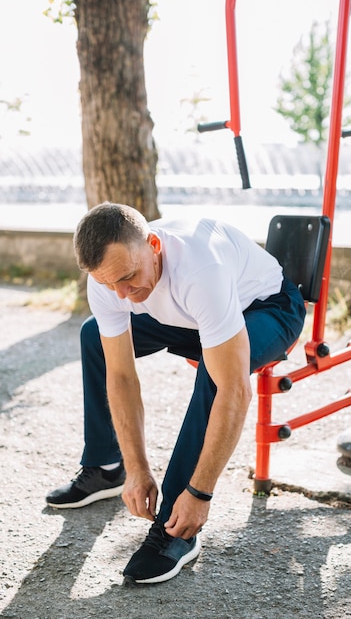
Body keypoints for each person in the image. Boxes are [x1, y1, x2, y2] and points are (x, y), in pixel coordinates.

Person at [46, 201, 306, 585]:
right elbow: (121, 376)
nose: (122, 294)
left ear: (153, 245)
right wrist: (137, 469)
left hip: (267, 307)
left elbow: (234, 391)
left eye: (128, 277)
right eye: (109, 284)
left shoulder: (201, 270)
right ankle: (107, 467)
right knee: (94, 337)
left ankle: (177, 529)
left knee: (215, 373)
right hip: (191, 316)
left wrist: (200, 493)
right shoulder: (111, 279)